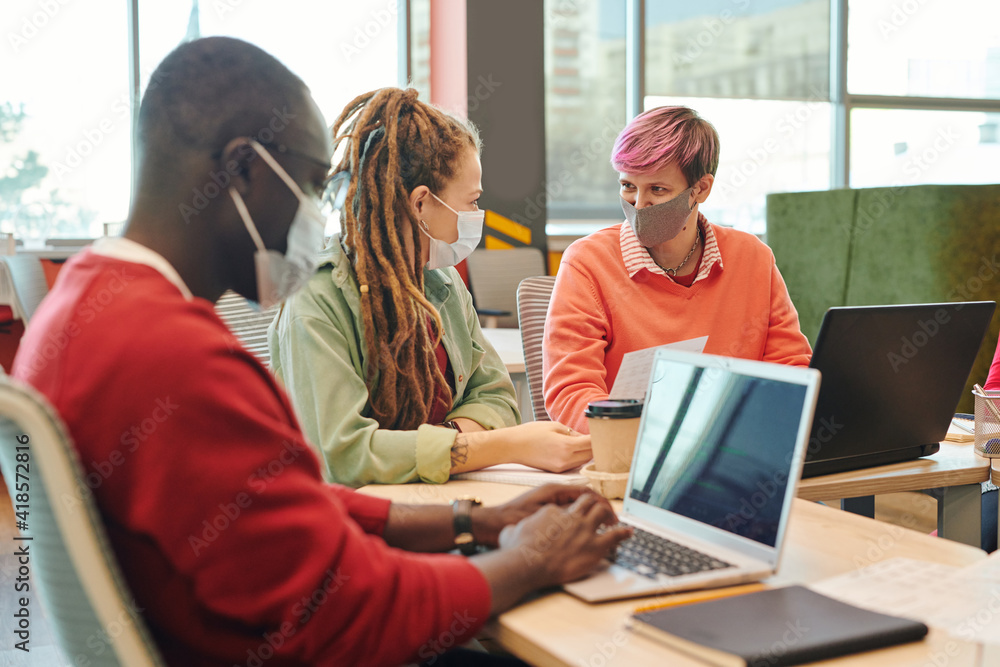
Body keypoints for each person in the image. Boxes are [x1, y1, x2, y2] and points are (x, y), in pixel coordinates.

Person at [12, 37, 630, 666]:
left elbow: (275, 499)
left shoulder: (87, 308)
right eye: (311, 186)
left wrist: (471, 523)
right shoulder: (178, 357)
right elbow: (343, 611)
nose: (318, 213)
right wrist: (530, 560)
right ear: (244, 170)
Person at [268, 87, 591, 488]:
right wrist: (500, 446)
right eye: (472, 201)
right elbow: (346, 456)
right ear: (420, 203)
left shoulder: (441, 280)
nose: (477, 215)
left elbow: (496, 396)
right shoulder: (316, 299)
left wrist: (441, 447)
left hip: (434, 497)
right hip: (357, 518)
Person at [543, 106, 812, 433]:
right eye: (628, 186)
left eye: (658, 189)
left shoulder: (753, 258)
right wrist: (649, 439)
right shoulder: (587, 263)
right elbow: (571, 393)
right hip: (625, 458)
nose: (639, 205)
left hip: (732, 452)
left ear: (700, 189)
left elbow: (792, 372)